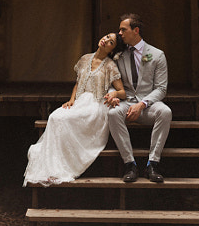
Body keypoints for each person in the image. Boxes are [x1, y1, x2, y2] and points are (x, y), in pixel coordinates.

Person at [23, 33, 126, 186]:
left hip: (96, 106)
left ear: (112, 49)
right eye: (106, 37)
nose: (105, 41)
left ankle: (65, 165)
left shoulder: (110, 65)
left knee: (65, 120)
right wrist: (72, 100)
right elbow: (78, 83)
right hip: (80, 101)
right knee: (55, 116)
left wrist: (113, 93)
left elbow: (122, 92)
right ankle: (52, 164)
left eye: (111, 42)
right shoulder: (85, 59)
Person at [103, 13, 171, 183]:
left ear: (136, 30)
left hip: (148, 105)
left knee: (166, 112)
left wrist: (142, 104)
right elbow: (114, 81)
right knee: (112, 113)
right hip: (126, 104)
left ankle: (153, 164)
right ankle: (129, 164)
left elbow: (161, 89)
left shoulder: (157, 55)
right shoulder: (119, 55)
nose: (119, 33)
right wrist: (114, 94)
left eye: (123, 29)